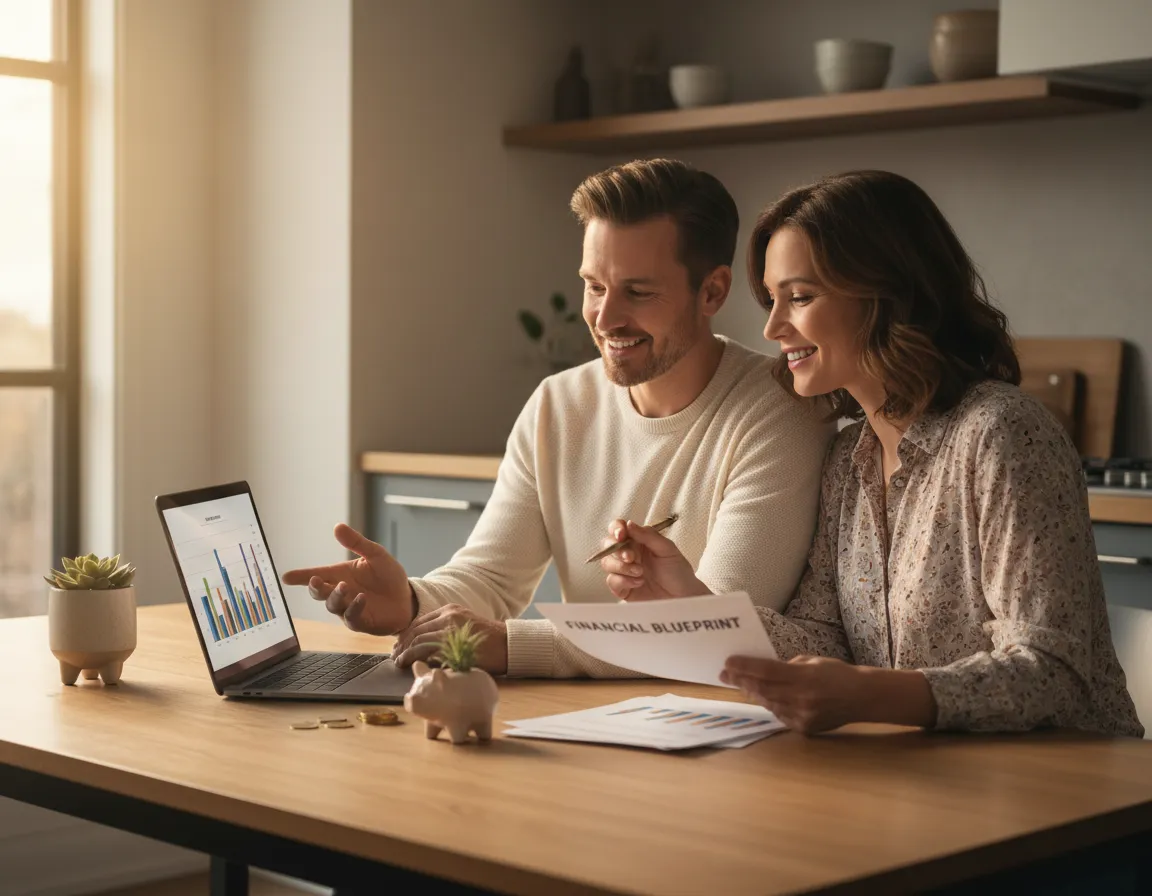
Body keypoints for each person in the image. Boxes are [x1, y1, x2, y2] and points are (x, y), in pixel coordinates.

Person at [599, 169, 1144, 737]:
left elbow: (1052, 673)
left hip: (1075, 796)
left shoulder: (1003, 434)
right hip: (929, 784)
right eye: (772, 299)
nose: (772, 327)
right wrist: (689, 601)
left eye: (800, 297)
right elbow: (822, 634)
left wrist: (867, 694)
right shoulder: (846, 457)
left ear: (885, 294)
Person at [282, 158, 833, 678]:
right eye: (594, 286)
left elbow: (712, 628)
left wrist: (516, 645)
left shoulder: (780, 409)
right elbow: (492, 577)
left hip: (720, 736)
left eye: (638, 292)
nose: (605, 317)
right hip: (596, 729)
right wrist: (408, 601)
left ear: (711, 291)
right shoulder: (558, 404)